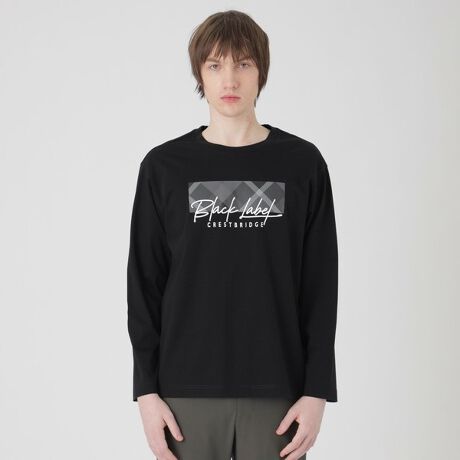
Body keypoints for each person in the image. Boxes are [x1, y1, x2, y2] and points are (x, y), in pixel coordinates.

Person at [127, 9, 339, 460]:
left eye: (243, 63)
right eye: (215, 65)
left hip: (279, 394)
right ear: (199, 74)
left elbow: (321, 286)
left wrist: (317, 390)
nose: (230, 79)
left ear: (261, 71)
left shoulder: (302, 164)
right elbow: (143, 285)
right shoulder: (164, 168)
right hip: (183, 396)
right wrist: (146, 392)